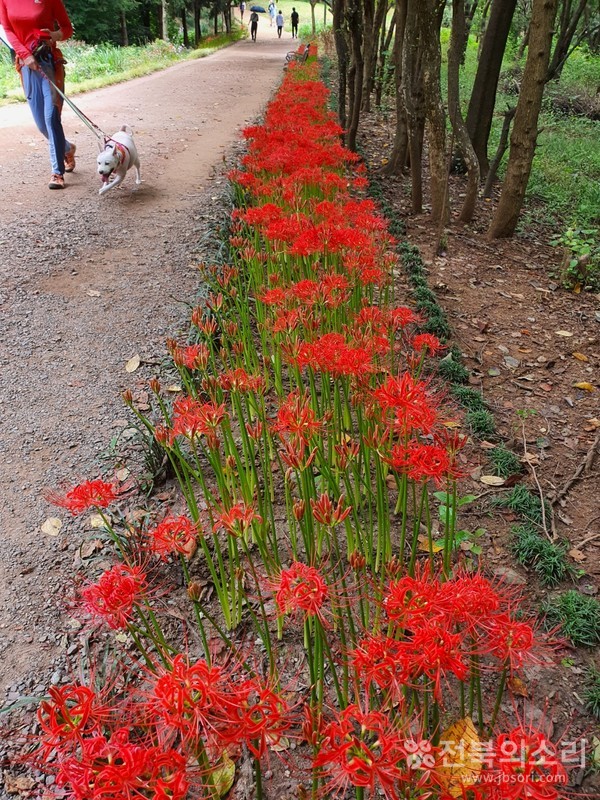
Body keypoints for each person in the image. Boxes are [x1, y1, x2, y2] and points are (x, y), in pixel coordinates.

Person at [0, 0, 76, 190]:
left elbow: (67, 28)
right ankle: (67, 148)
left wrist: (56, 35)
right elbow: (7, 30)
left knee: (51, 118)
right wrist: (25, 54)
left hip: (48, 61)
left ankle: (57, 174)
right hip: (26, 64)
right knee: (41, 124)